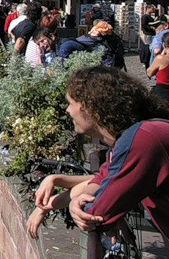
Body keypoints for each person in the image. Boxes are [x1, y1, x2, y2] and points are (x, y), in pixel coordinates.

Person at [65, 66, 169, 239]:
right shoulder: (131, 138)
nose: (68, 110)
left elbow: (97, 213)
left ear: (90, 107)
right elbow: (103, 178)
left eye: (71, 103)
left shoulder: (143, 140)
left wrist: (77, 206)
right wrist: (81, 198)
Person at [147, 37, 169, 102]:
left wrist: (161, 55)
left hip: (162, 93)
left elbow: (149, 73)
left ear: (164, 45)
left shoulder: (161, 59)